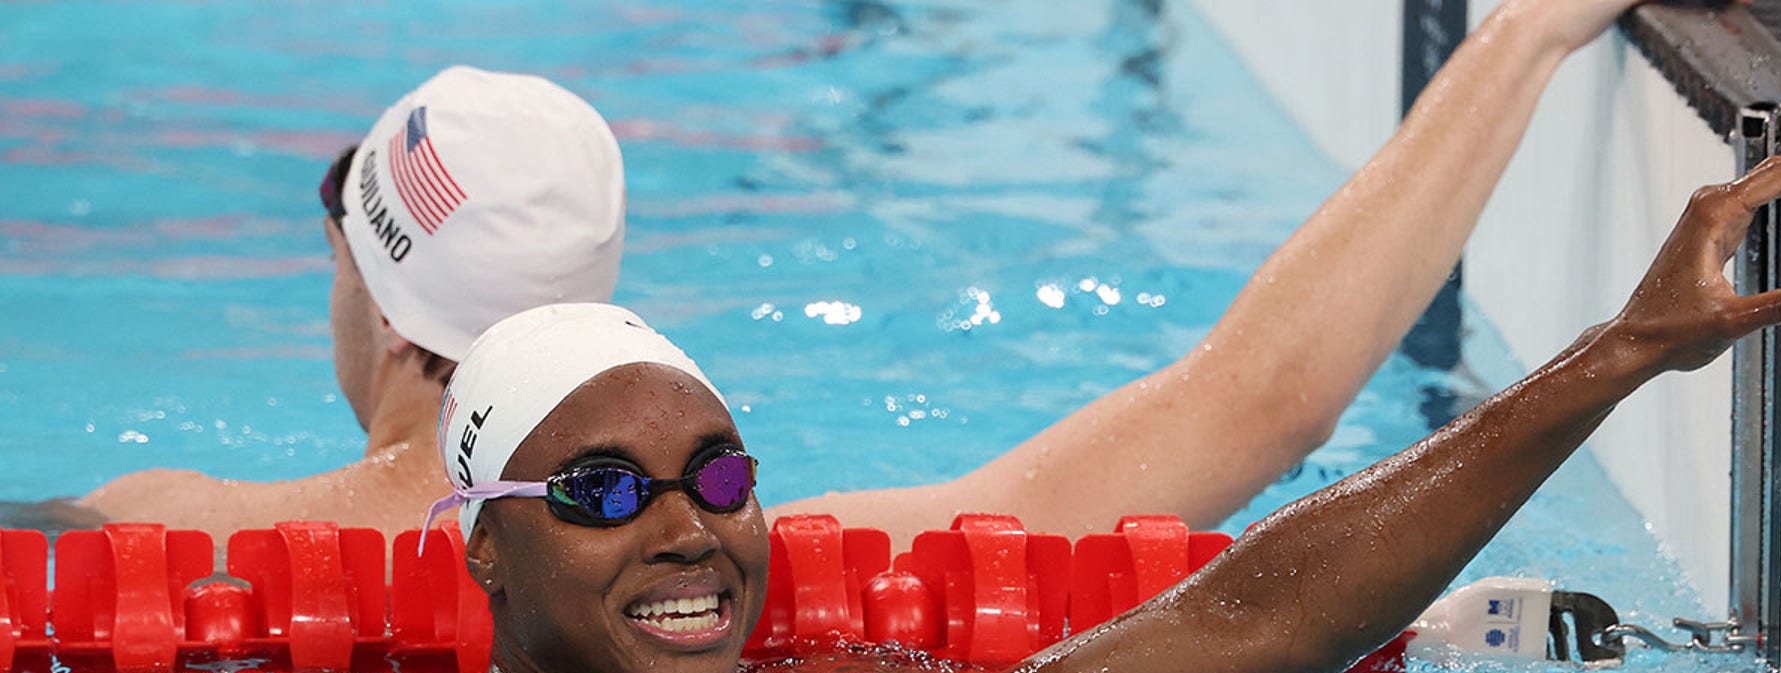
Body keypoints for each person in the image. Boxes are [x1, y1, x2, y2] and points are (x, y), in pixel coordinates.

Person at [368, 155, 1781, 673]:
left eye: (717, 475)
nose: (687, 530)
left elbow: (1239, 627)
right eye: (603, 492)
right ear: (485, 548)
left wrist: (1622, 352)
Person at [52, 0, 1696, 548]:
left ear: (373, 278)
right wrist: (1522, 36)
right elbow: (1255, 407)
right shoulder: (730, 568)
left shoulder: (161, 533)